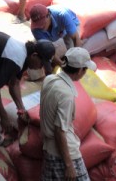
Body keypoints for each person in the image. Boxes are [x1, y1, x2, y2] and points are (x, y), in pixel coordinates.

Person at [40, 47, 96, 181]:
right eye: (85, 70)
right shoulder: (66, 95)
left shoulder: (49, 79)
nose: (85, 73)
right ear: (79, 70)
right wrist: (69, 165)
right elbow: (59, 131)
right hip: (66, 154)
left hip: (49, 150)